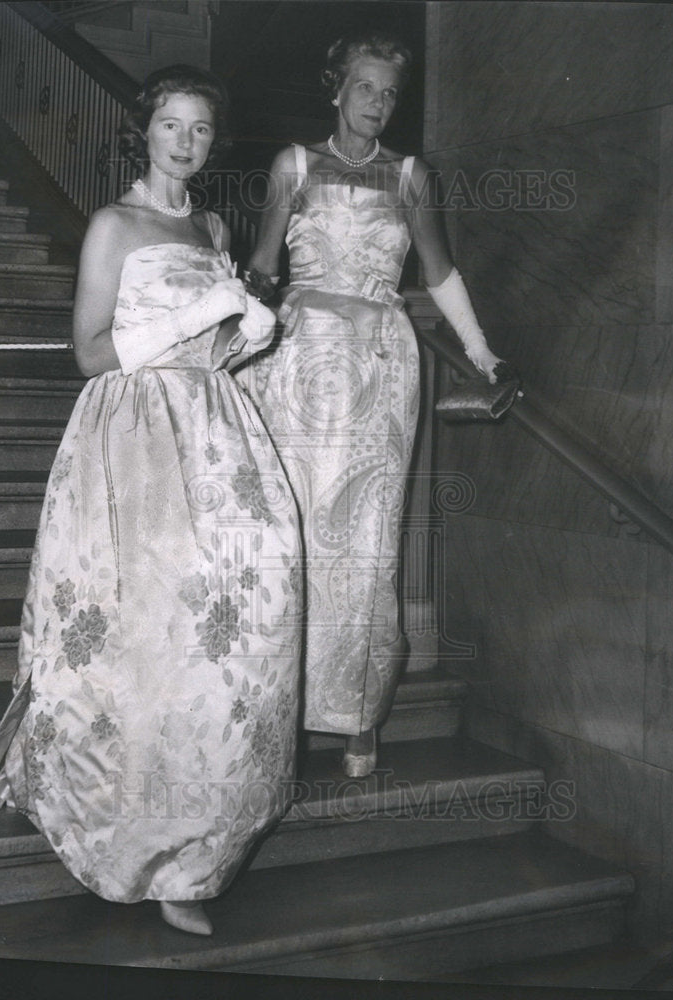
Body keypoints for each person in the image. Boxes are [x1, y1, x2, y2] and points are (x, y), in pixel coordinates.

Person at [0, 65, 302, 936]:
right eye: (172, 126)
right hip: (134, 439)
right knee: (147, 632)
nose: (187, 142)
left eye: (201, 129)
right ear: (144, 131)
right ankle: (148, 846)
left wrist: (246, 334)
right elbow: (89, 353)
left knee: (239, 624)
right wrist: (189, 325)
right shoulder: (113, 225)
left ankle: (201, 838)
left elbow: (214, 349)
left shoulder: (214, 224)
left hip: (218, 434)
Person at [243, 31, 505, 778]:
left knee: (367, 544)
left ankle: (358, 718)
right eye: (366, 88)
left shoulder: (413, 176)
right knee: (291, 537)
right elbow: (263, 271)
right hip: (297, 365)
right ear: (337, 88)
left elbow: (441, 274)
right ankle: (283, 712)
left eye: (389, 93)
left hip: (382, 368)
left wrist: (483, 354)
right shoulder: (292, 166)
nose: (378, 105)